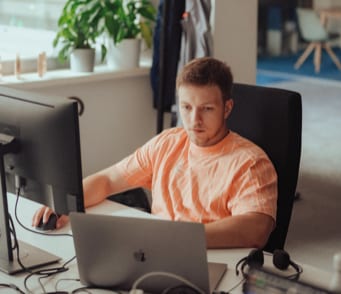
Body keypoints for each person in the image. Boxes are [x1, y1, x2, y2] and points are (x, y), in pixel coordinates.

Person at [32, 57, 277, 249]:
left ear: (227, 108)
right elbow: (108, 180)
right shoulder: (168, 143)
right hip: (154, 251)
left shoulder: (250, 162)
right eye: (186, 107)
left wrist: (176, 239)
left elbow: (256, 229)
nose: (194, 120)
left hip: (210, 259)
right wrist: (64, 203)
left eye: (207, 109)